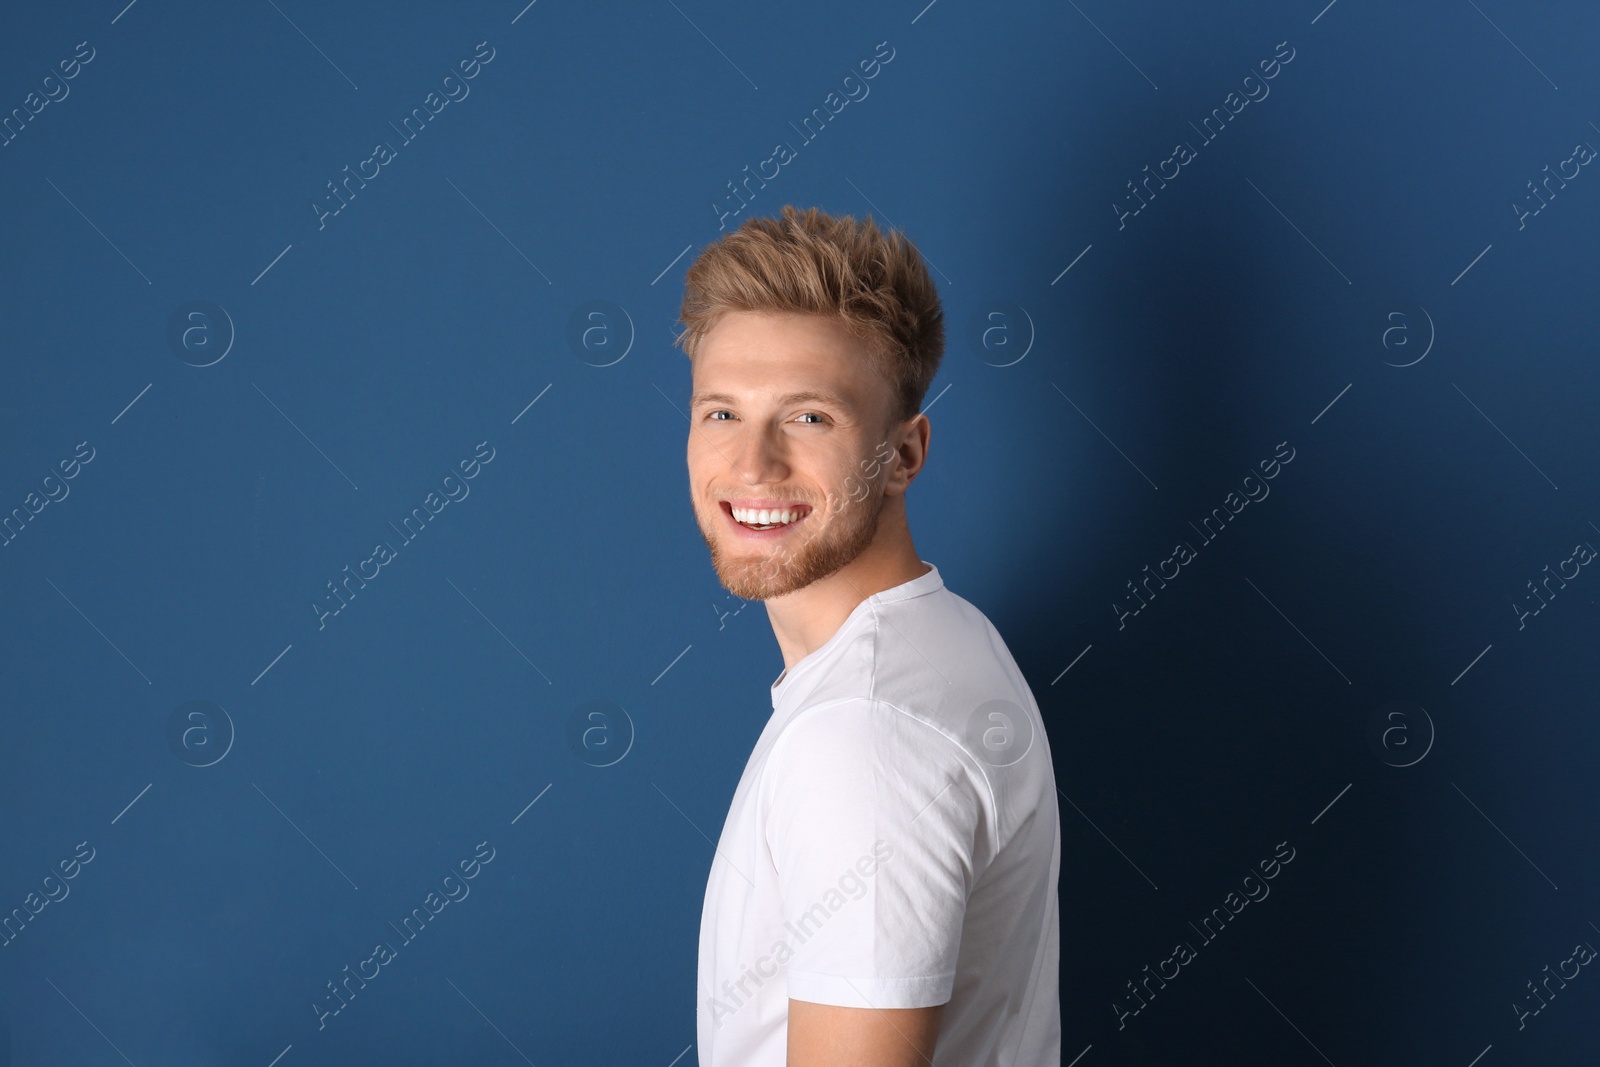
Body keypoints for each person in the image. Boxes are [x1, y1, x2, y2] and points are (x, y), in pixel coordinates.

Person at [681, 204, 1061, 1066]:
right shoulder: (944, 636)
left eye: (809, 417)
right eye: (721, 413)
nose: (751, 465)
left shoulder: (862, 734)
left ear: (904, 453)